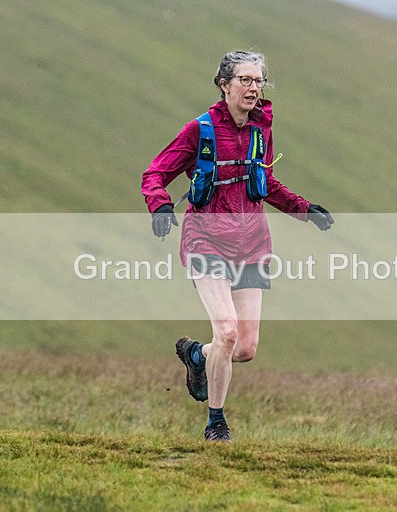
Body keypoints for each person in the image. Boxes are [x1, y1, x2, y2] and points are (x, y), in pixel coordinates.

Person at [141, 50, 334, 442]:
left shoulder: (261, 129)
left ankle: (197, 356)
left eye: (259, 80)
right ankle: (216, 422)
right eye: (245, 80)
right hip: (205, 240)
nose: (254, 87)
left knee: (244, 347)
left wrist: (304, 209)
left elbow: (266, 182)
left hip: (251, 244)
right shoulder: (200, 130)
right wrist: (159, 205)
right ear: (224, 85)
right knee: (226, 332)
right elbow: (155, 173)